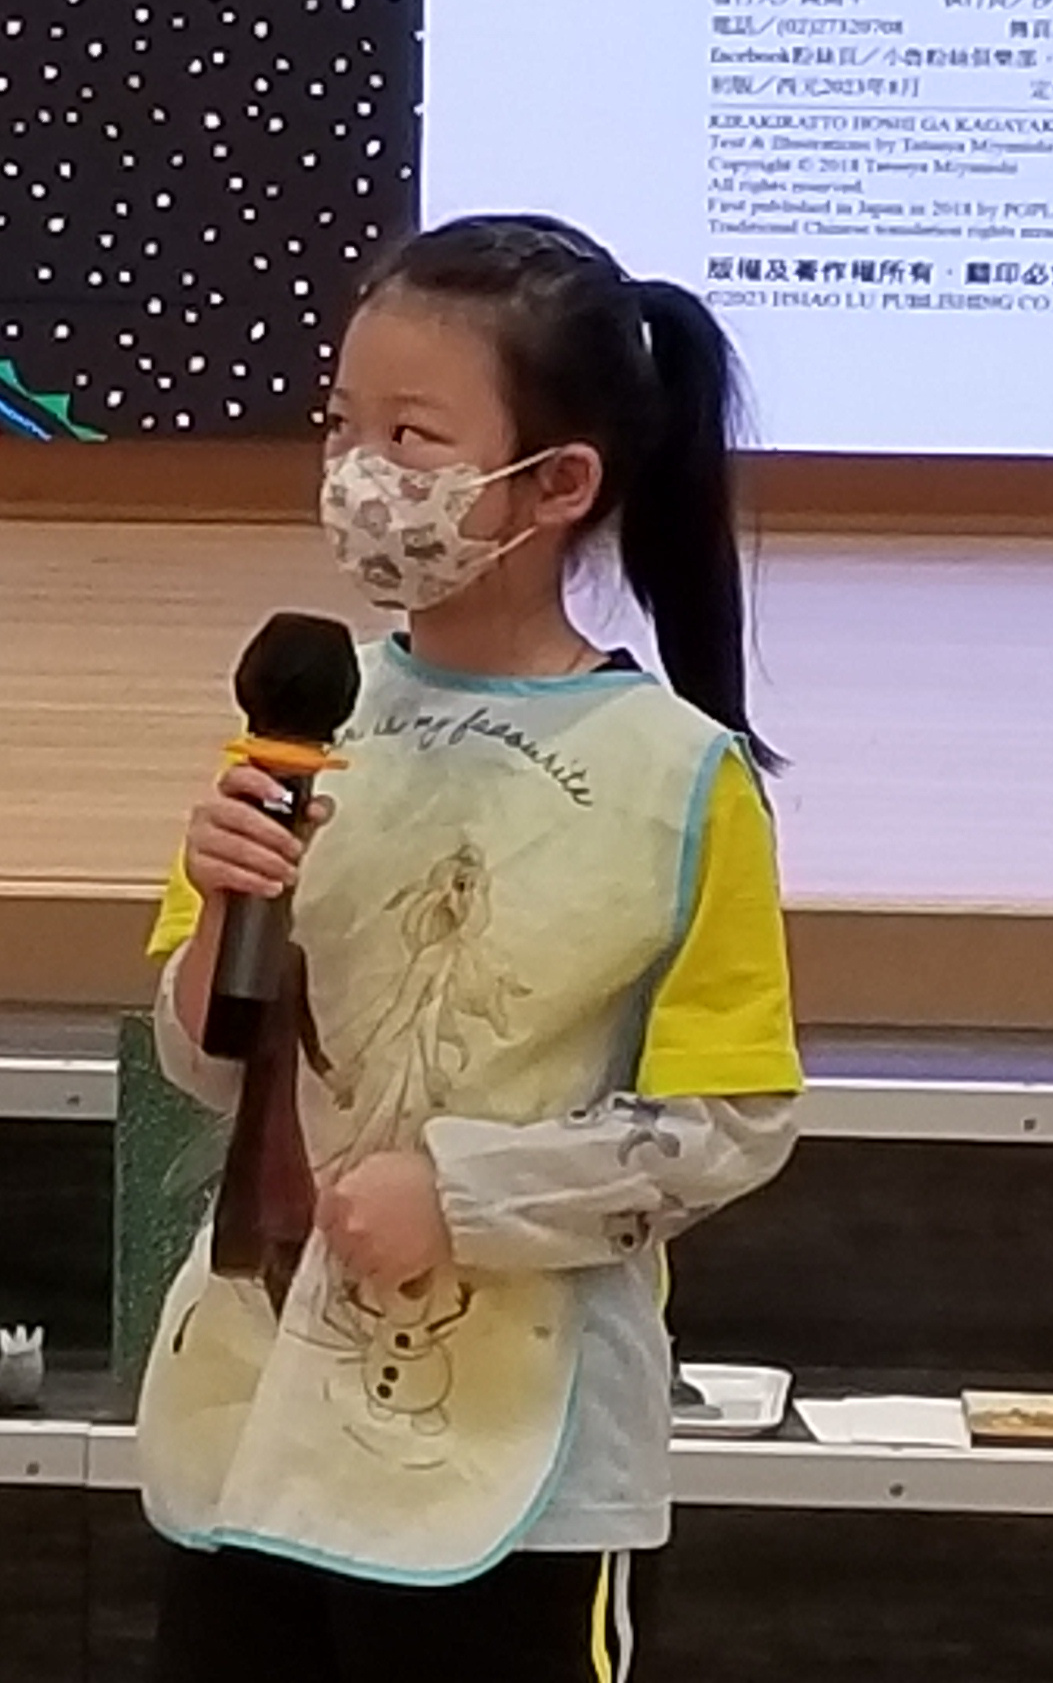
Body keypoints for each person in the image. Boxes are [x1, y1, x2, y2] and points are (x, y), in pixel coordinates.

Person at [135, 214, 805, 1683]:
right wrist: (223, 908)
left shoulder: (677, 777)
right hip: (261, 1415)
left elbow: (730, 1121)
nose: (358, 473)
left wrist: (464, 1195)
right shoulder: (308, 718)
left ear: (560, 483)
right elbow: (200, 1061)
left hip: (521, 1472)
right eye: (341, 425)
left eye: (412, 437)